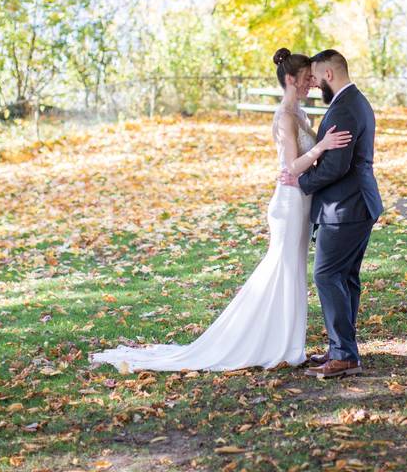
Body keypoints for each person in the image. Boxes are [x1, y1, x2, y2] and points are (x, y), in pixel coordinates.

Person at [89, 48, 350, 372]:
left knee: (293, 271)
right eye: (307, 78)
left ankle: (286, 344)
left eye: (313, 77)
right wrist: (323, 147)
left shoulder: (300, 114)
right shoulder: (285, 116)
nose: (312, 82)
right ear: (290, 79)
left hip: (302, 201)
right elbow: (291, 167)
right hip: (289, 203)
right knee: (281, 270)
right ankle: (268, 344)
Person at [280, 49, 383, 379]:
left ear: (328, 76)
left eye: (316, 77)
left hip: (346, 207)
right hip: (356, 204)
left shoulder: (344, 109)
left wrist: (301, 180)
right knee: (346, 279)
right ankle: (343, 348)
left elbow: (337, 166)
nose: (314, 84)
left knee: (327, 275)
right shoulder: (355, 102)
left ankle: (344, 354)